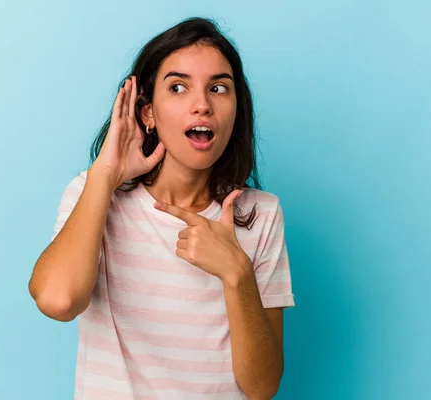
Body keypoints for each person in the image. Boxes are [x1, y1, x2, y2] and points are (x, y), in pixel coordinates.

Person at [28, 16, 295, 400]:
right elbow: (58, 300)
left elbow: (262, 386)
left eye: (219, 88)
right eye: (178, 87)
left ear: (236, 111)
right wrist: (105, 174)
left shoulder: (261, 215)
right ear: (148, 113)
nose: (202, 105)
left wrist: (236, 272)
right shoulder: (94, 195)